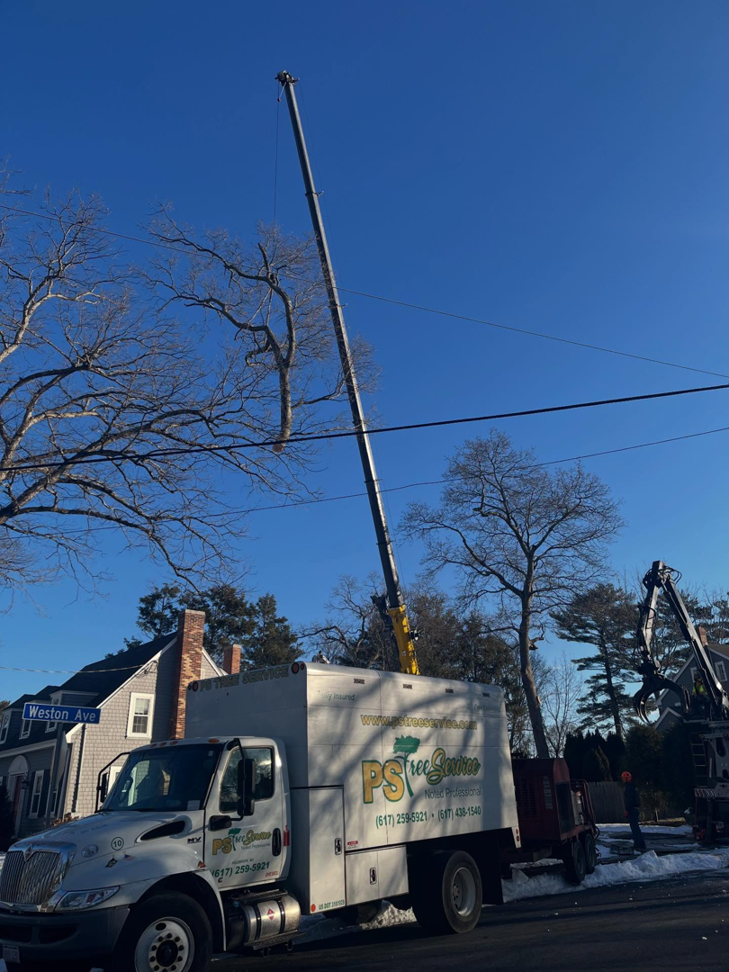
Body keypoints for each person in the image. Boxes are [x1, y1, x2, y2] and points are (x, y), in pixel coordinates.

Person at [621, 770, 646, 851]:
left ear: (627, 778)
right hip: (635, 809)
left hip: (632, 809)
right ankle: (640, 843)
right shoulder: (633, 786)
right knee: (636, 827)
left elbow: (629, 800)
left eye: (624, 778)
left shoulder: (629, 787)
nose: (623, 780)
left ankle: (638, 844)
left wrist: (627, 810)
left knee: (634, 827)